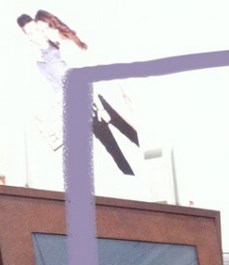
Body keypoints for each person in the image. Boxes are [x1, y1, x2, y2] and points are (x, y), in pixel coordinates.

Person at [16, 10, 138, 175]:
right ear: (28, 37)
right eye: (30, 33)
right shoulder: (40, 62)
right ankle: (131, 179)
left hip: (98, 99)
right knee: (113, 150)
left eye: (37, 30)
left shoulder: (60, 47)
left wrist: (99, 106)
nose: (36, 35)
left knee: (131, 132)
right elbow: (58, 90)